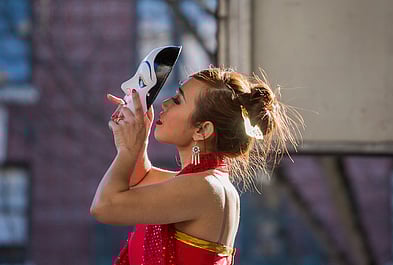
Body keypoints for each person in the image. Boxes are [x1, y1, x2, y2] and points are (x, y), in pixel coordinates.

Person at [90, 67, 303, 265]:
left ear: (202, 130)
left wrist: (129, 150)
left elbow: (104, 207)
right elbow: (137, 182)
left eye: (177, 100)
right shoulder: (204, 183)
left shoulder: (203, 187)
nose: (164, 104)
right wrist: (138, 138)